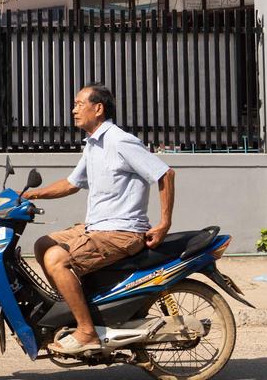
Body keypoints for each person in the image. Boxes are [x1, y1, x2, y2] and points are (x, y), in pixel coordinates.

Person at [21, 84, 175, 357]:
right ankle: (74, 306)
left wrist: (164, 223)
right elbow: (71, 184)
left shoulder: (119, 141)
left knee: (57, 259)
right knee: (43, 244)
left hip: (122, 231)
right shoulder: (93, 144)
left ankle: (86, 332)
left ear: (98, 108)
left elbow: (165, 174)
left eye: (80, 104)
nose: (74, 110)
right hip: (97, 227)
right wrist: (30, 194)